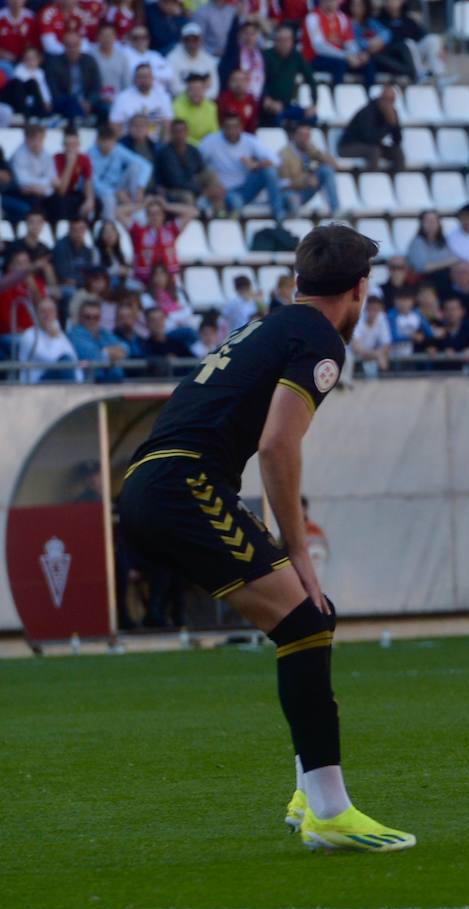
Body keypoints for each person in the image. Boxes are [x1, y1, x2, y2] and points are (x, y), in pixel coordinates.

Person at [118, 225, 413, 850]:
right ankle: (330, 813)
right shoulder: (321, 338)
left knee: (307, 622)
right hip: (182, 482)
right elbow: (279, 443)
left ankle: (310, 795)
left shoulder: (270, 324)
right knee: (305, 620)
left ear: (300, 281)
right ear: (360, 289)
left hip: (156, 478)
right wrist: (299, 550)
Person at [199, 112, 285, 219]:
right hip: (223, 191)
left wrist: (256, 165)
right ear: (222, 127)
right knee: (235, 202)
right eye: (228, 127)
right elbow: (197, 163)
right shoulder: (211, 142)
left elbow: (276, 160)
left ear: (241, 127)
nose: (231, 131)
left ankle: (278, 215)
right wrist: (211, 181)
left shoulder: (249, 141)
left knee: (270, 172)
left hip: (246, 188)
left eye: (235, 127)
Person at [277, 121, 339, 215]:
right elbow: (283, 184)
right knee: (293, 199)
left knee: (326, 170)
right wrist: (305, 181)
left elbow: (335, 166)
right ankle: (294, 226)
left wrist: (316, 152)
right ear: (294, 136)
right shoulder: (284, 154)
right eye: (301, 135)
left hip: (305, 191)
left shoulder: (311, 151)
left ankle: (336, 211)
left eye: (307, 135)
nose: (304, 139)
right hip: (289, 194)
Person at [337, 83, 402, 170]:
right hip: (349, 146)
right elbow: (369, 138)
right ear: (381, 98)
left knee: (397, 152)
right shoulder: (368, 112)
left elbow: (397, 140)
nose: (389, 103)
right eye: (386, 100)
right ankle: (371, 179)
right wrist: (388, 124)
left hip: (369, 145)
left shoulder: (392, 113)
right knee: (374, 151)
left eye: (392, 101)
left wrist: (394, 124)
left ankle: (397, 179)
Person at [45, 28, 104, 122]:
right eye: (69, 45)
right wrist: (76, 103)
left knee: (106, 110)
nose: (72, 49)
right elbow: (54, 90)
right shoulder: (55, 63)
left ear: (80, 45)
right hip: (65, 102)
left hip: (86, 101)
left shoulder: (89, 61)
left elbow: (97, 86)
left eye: (75, 45)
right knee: (70, 104)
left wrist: (89, 102)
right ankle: (79, 123)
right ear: (63, 46)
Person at [69, 297, 131, 382]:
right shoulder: (75, 334)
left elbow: (125, 347)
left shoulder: (103, 332)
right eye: (87, 317)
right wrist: (108, 353)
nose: (92, 320)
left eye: (96, 317)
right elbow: (91, 356)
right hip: (91, 383)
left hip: (115, 382)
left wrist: (119, 351)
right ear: (80, 317)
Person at [111, 63, 175, 138]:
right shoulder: (123, 98)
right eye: (141, 77)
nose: (144, 80)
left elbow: (167, 124)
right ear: (135, 79)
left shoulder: (163, 96)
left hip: (155, 143)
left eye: (147, 77)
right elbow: (114, 125)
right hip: (129, 141)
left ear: (152, 78)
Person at [166, 22, 220, 97]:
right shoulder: (172, 58)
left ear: (201, 40)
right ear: (182, 40)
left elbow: (214, 90)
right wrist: (194, 95)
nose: (192, 43)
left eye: (195, 39)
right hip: (181, 102)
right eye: (188, 40)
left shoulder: (209, 60)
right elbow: (174, 88)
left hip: (204, 102)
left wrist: (199, 96)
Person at [173, 73, 219, 145]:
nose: (196, 93)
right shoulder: (177, 106)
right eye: (192, 89)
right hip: (186, 147)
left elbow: (214, 133)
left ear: (204, 90)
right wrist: (199, 146)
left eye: (199, 89)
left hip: (207, 146)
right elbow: (181, 134)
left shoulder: (211, 107)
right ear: (187, 90)